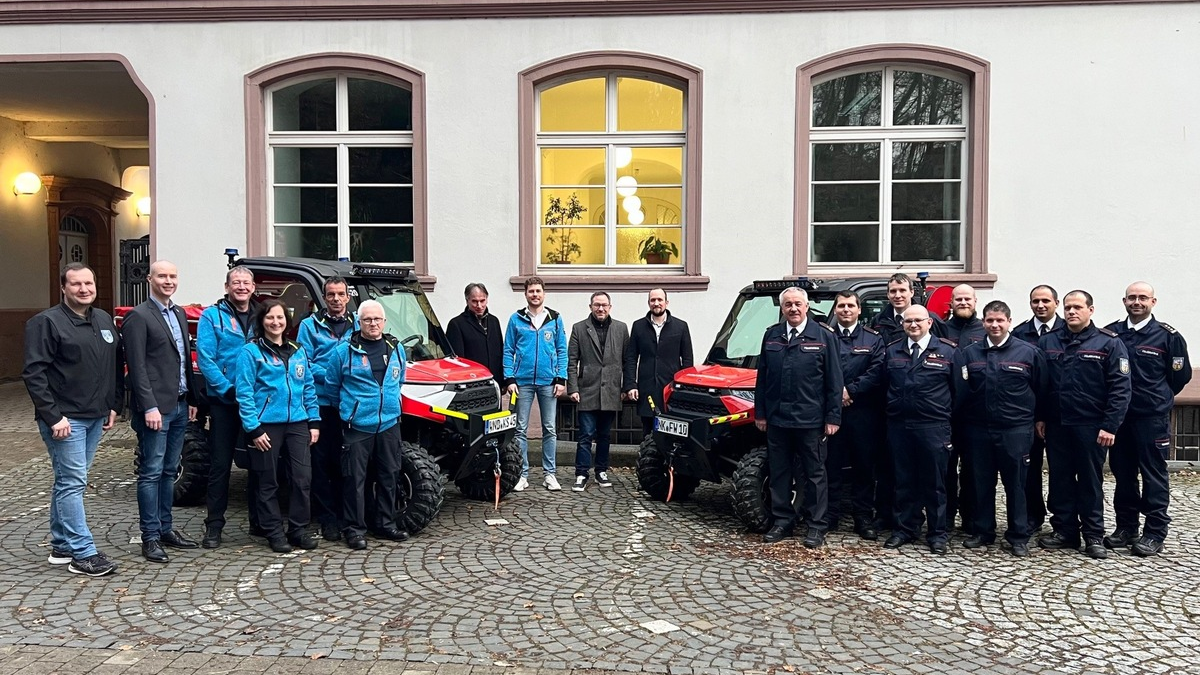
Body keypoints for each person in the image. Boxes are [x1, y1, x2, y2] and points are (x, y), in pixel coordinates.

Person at [22, 263, 123, 577]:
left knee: (68, 481)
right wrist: (54, 416)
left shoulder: (103, 319)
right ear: (63, 288)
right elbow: (34, 373)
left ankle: (62, 546)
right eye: (76, 284)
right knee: (73, 483)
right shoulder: (46, 323)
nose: (84, 289)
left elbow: (114, 365)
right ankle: (83, 554)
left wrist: (113, 404)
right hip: (66, 420)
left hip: (95, 415)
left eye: (89, 283)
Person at [1037, 290, 1131, 560]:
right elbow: (1041, 384)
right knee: (1060, 478)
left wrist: (1110, 425)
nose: (1071, 312)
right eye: (1067, 307)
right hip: (1057, 424)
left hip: (1091, 426)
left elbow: (1120, 388)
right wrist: (1041, 416)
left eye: (1077, 307)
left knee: (1090, 481)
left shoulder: (1109, 343)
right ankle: (1065, 530)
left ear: (1091, 310)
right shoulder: (1049, 341)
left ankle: (1093, 534)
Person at [952, 300, 1047, 557]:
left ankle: (1018, 535)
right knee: (981, 483)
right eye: (990, 320)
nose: (995, 325)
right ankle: (983, 531)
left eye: (1000, 320)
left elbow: (1042, 390)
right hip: (978, 430)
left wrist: (1038, 420)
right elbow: (961, 392)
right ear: (983, 322)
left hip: (1015, 430)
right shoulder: (969, 354)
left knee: (1016, 484)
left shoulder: (1028, 353)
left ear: (1009, 322)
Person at [1103, 282, 1191, 557]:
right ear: (1124, 301)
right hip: (1121, 417)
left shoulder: (1167, 336)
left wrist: (1158, 398)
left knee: (1154, 474)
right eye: (1132, 298)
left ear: (1154, 302)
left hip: (1151, 418)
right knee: (1123, 474)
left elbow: (1180, 376)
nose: (1137, 302)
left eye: (1143, 297)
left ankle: (1154, 532)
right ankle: (1126, 526)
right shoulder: (1112, 333)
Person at [121, 260, 200, 562]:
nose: (168, 281)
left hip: (179, 404)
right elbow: (137, 367)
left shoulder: (178, 312)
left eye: (173, 276)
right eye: (162, 276)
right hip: (155, 409)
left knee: (169, 471)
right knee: (151, 472)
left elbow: (182, 361)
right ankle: (150, 536)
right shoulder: (139, 317)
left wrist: (191, 398)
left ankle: (167, 528)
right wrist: (148, 406)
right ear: (150, 279)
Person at [754, 288, 843, 547]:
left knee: (815, 474)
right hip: (777, 419)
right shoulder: (771, 335)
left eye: (798, 304)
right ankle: (783, 521)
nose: (793, 309)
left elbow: (834, 381)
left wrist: (833, 418)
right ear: (782, 309)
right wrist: (761, 413)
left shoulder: (824, 336)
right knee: (779, 472)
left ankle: (816, 526)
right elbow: (763, 378)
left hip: (811, 420)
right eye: (788, 305)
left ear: (807, 307)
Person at [235, 299, 321, 553]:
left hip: (297, 423)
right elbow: (245, 392)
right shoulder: (250, 352)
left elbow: (308, 388)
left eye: (280, 318)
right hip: (265, 426)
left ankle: (298, 529)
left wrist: (313, 421)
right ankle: (273, 531)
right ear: (262, 321)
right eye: (270, 318)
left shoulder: (298, 350)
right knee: (267, 480)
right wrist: (253, 429)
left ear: (287, 321)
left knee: (302, 478)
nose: (276, 322)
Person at [326, 300, 409, 549]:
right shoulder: (344, 351)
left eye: (377, 319)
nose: (373, 324)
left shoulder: (396, 348)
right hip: (357, 425)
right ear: (358, 322)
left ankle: (385, 523)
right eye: (367, 320)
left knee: (389, 475)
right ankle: (354, 529)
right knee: (354, 480)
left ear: (384, 322)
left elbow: (400, 379)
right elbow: (332, 386)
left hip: (389, 423)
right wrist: (352, 410)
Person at [881, 305, 957, 554]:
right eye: (908, 321)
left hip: (933, 426)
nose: (913, 325)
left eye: (918, 321)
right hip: (900, 425)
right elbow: (884, 386)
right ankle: (905, 528)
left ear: (929, 323)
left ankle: (937, 534)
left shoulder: (948, 352)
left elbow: (960, 392)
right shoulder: (892, 351)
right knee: (903, 481)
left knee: (935, 483)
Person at [196, 266, 259, 548]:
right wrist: (226, 388)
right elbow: (206, 359)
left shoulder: (262, 315)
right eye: (236, 282)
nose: (241, 287)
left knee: (260, 465)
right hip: (225, 401)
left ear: (254, 287)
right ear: (227, 287)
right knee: (221, 464)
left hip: (257, 401)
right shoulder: (212, 316)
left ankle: (260, 522)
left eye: (246, 282)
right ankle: (214, 526)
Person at [296, 276, 357, 542]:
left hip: (349, 404)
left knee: (346, 463)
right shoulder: (309, 326)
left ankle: (348, 517)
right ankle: (327, 518)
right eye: (330, 294)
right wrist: (335, 374)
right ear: (324, 297)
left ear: (347, 297)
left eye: (340, 294)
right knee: (321, 464)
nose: (335, 299)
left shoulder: (358, 324)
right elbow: (305, 362)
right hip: (320, 404)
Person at [826, 291, 886, 540]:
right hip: (832, 413)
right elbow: (818, 368)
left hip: (863, 414)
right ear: (836, 310)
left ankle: (862, 517)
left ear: (859, 310)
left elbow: (877, 371)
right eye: (841, 306)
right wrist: (836, 392)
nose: (846, 310)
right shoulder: (825, 337)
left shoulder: (873, 339)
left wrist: (850, 390)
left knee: (864, 468)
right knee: (831, 466)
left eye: (851, 305)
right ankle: (829, 515)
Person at [503, 277, 568, 492]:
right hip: (522, 382)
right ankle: (522, 474)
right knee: (520, 429)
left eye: (538, 291)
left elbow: (561, 350)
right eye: (531, 291)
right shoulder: (516, 319)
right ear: (525, 294)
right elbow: (508, 350)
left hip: (549, 382)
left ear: (544, 293)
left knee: (549, 428)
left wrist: (561, 378)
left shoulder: (555, 318)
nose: (535, 295)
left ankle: (550, 474)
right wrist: (509, 378)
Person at [1010, 284, 1063, 533]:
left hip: (1058, 414)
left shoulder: (1069, 331)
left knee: (1060, 469)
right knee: (1029, 469)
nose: (1040, 305)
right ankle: (1033, 515)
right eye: (1035, 301)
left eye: (1045, 301)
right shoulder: (1020, 333)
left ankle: (1062, 519)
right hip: (1028, 415)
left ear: (1056, 303)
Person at [567, 292, 630, 491]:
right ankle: (581, 473)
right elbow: (571, 361)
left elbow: (628, 361)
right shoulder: (579, 328)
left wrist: (625, 387)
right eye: (596, 305)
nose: (600, 309)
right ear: (590, 306)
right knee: (585, 435)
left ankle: (601, 470)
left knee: (604, 435)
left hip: (611, 389)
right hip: (587, 389)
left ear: (610, 307)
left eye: (604, 305)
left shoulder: (621, 328)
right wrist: (573, 388)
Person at [941, 284, 985, 534]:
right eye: (958, 299)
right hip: (945, 413)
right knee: (946, 468)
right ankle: (946, 516)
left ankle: (970, 518)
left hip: (974, 414)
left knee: (973, 469)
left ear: (975, 301)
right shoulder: (941, 329)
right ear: (951, 302)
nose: (963, 302)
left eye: (967, 298)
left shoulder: (984, 330)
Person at [623, 288, 694, 435]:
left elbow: (687, 360)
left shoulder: (681, 326)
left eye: (659, 300)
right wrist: (630, 385)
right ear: (648, 303)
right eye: (653, 300)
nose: (656, 303)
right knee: (648, 432)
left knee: (671, 433)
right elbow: (631, 358)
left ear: (666, 303)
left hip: (671, 389)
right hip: (646, 388)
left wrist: (684, 387)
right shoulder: (638, 326)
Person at [446, 282, 505, 383]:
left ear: (487, 299)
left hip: (494, 381)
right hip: (472, 382)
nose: (479, 305)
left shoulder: (494, 321)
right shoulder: (456, 324)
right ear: (467, 301)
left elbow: (500, 351)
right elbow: (457, 360)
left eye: (482, 301)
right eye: (474, 301)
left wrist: (503, 380)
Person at [871, 273, 946, 344]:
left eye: (902, 290)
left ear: (912, 292)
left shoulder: (929, 318)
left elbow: (943, 347)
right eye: (893, 291)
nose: (897, 295)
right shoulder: (878, 320)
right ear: (888, 294)